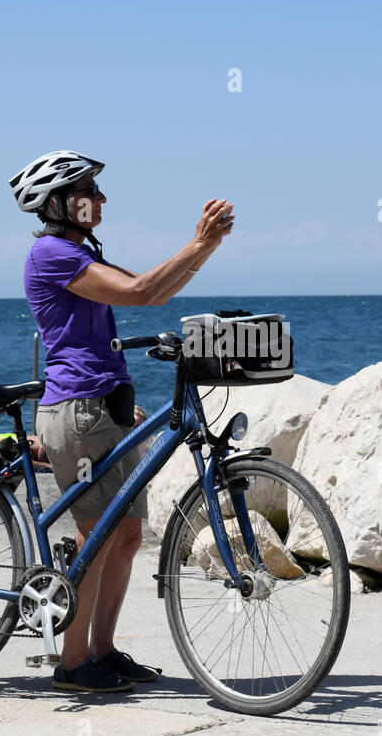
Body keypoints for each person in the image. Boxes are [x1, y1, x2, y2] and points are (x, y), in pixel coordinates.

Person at [12, 149, 233, 693]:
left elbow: (152, 293)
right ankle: (71, 663)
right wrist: (201, 243)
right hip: (77, 409)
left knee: (128, 536)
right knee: (97, 537)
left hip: (106, 406)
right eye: (91, 189)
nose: (102, 198)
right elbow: (141, 292)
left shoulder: (80, 252)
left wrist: (206, 250)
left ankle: (102, 651)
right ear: (61, 203)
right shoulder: (51, 256)